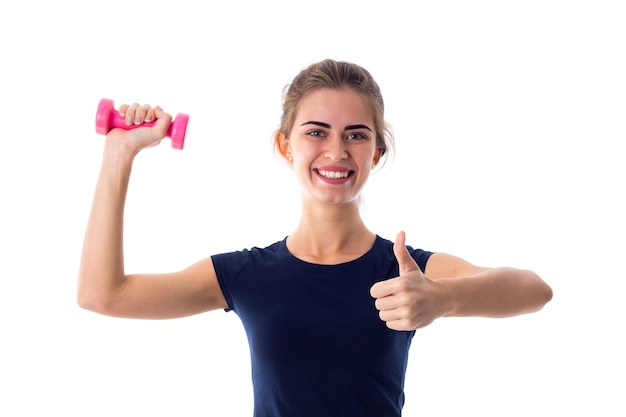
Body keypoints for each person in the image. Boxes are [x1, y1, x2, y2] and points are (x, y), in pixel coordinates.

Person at [78, 59, 553, 416]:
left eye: (356, 135)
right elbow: (104, 295)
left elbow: (535, 289)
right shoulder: (247, 274)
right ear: (285, 145)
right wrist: (118, 156)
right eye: (316, 132)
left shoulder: (406, 272)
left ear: (377, 152)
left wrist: (442, 298)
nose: (336, 151)